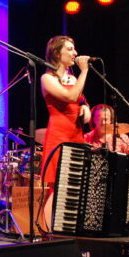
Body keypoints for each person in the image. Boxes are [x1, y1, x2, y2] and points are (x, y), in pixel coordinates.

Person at [39, 35, 92, 184]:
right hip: (59, 137)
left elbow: (80, 100)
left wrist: (85, 108)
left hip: (76, 135)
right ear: (56, 54)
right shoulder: (47, 79)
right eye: (69, 49)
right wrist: (84, 71)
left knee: (75, 187)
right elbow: (70, 96)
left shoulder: (73, 80)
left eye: (74, 49)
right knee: (56, 188)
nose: (75, 53)